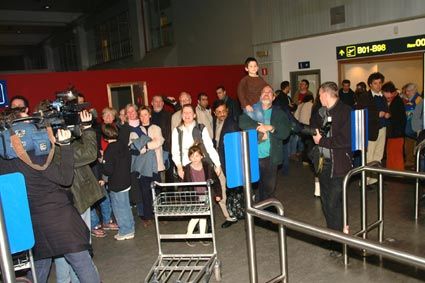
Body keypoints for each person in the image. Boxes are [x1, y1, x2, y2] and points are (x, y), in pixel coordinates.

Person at [0, 116, 101, 282]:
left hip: (32, 221)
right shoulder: (39, 155)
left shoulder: (5, 160)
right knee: (82, 264)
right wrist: (66, 146)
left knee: (39, 266)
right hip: (59, 218)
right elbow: (66, 178)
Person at [172, 104, 237, 228]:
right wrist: (179, 167)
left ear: (194, 115)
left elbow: (210, 147)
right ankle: (201, 221)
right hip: (188, 169)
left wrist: (217, 164)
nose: (187, 115)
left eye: (189, 112)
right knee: (194, 195)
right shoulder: (177, 131)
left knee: (216, 190)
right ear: (181, 115)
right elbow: (175, 151)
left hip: (204, 165)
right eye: (184, 113)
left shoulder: (201, 128)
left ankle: (228, 216)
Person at [311, 82, 351, 257]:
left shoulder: (345, 111)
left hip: (339, 165)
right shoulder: (321, 112)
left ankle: (340, 242)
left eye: (319, 95)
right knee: (327, 203)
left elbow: (345, 140)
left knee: (335, 204)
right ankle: (333, 237)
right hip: (323, 164)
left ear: (326, 94)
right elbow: (314, 129)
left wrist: (322, 141)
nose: (318, 98)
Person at [239, 85, 291, 202]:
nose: (266, 94)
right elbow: (242, 122)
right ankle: (258, 215)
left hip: (270, 158)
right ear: (260, 96)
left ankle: (267, 215)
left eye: (269, 92)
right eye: (264, 92)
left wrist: (271, 128)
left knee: (269, 189)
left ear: (273, 97)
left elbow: (285, 133)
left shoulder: (279, 113)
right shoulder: (253, 110)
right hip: (252, 156)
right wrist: (259, 128)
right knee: (254, 188)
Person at [131, 106, 165, 227]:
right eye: (141, 115)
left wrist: (145, 146)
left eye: (146, 114)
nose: (144, 117)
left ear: (150, 115)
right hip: (143, 167)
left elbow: (159, 141)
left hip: (156, 165)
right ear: (139, 117)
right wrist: (149, 143)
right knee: (145, 192)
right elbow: (135, 147)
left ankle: (160, 214)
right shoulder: (135, 131)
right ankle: (148, 216)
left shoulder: (156, 128)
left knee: (158, 191)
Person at [100, 123, 135, 240]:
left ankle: (125, 231)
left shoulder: (109, 150)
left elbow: (108, 170)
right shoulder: (123, 145)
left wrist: (102, 162)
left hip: (116, 183)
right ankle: (130, 227)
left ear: (105, 137)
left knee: (119, 208)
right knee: (126, 206)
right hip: (126, 180)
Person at [183, 145, 222, 246]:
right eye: (192, 156)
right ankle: (188, 236)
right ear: (189, 158)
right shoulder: (187, 169)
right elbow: (185, 185)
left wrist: (218, 194)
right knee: (196, 216)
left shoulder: (207, 166)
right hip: (194, 197)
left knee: (204, 217)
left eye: (197, 156)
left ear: (201, 156)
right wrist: (186, 199)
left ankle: (202, 236)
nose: (194, 158)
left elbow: (216, 181)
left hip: (206, 195)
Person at [213, 101, 242, 219]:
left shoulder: (232, 124)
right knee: (220, 188)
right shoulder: (214, 122)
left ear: (227, 111)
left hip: (228, 163)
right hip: (218, 161)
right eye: (219, 112)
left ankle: (231, 214)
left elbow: (236, 147)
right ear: (214, 113)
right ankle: (229, 214)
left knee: (226, 188)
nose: (222, 114)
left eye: (224, 111)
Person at [365, 72, 388, 187]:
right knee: (369, 156)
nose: (378, 85)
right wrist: (377, 114)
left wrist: (387, 114)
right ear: (370, 84)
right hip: (371, 130)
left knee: (379, 155)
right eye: (375, 83)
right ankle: (365, 181)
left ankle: (374, 179)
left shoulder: (382, 96)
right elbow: (362, 112)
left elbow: (385, 110)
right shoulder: (365, 96)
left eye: (380, 83)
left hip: (382, 128)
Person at [382, 81, 406, 170]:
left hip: (396, 133)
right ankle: (393, 172)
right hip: (395, 132)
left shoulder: (397, 101)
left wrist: (389, 115)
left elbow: (397, 117)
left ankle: (397, 173)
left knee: (395, 154)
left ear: (389, 92)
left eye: (384, 92)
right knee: (392, 153)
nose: (384, 95)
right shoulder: (396, 100)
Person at [237, 57, 268, 123]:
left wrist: (272, 93)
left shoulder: (260, 79)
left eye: (255, 66)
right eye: (251, 66)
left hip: (258, 103)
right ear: (246, 68)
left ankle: (265, 128)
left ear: (257, 68)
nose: (253, 68)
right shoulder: (245, 80)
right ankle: (263, 128)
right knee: (251, 116)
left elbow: (267, 87)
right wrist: (246, 104)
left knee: (260, 115)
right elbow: (240, 92)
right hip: (247, 104)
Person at [151, 95, 173, 182]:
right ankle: (156, 194)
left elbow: (181, 112)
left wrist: (173, 103)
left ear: (163, 103)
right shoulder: (147, 115)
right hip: (152, 149)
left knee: (169, 175)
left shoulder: (169, 115)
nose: (158, 103)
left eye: (160, 101)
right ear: (152, 103)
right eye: (156, 101)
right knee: (155, 174)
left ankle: (170, 195)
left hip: (166, 148)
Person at [403, 83, 422, 169]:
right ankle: (410, 163)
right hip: (410, 128)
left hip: (414, 128)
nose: (407, 92)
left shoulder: (418, 99)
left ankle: (413, 164)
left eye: (408, 91)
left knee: (414, 147)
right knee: (409, 147)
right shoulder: (410, 99)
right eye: (406, 91)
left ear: (414, 91)